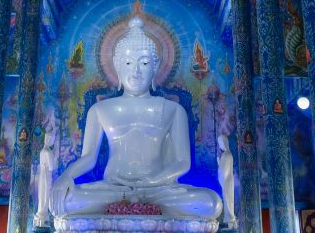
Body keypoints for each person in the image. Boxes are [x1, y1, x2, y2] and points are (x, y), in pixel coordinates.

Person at [51, 17, 222, 219]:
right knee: (65, 201)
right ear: (117, 64)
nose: (136, 71)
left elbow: (182, 162)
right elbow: (88, 158)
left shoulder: (173, 110)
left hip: (158, 189)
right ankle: (136, 203)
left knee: (211, 203)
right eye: (128, 62)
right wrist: (65, 177)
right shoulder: (100, 110)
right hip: (114, 189)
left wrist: (151, 183)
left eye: (145, 62)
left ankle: (141, 202)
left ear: (156, 65)